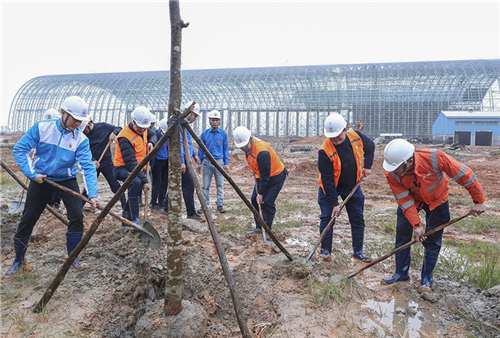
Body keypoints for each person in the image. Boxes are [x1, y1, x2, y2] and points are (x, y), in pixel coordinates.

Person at [6, 96, 100, 275]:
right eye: (75, 119)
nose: (78, 123)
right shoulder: (42, 128)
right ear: (63, 113)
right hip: (41, 179)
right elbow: (20, 149)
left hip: (66, 179)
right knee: (28, 218)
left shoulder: (81, 139)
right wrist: (32, 175)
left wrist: (93, 194)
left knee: (76, 217)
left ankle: (73, 258)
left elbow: (87, 167)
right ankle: (18, 260)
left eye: (81, 120)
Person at [382, 138, 486, 293]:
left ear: (410, 161)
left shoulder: (435, 158)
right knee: (402, 235)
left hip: (437, 200)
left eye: (396, 167)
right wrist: (416, 226)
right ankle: (401, 274)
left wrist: (479, 200)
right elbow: (404, 200)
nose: (393, 170)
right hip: (413, 201)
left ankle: (426, 280)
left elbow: (465, 175)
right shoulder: (392, 174)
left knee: (433, 240)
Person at [317, 113, 375, 262]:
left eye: (338, 136)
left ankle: (358, 252)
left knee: (357, 218)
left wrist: (367, 166)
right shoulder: (324, 151)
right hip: (330, 187)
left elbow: (371, 146)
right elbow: (328, 180)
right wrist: (334, 204)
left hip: (352, 186)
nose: (335, 140)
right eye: (332, 137)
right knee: (327, 217)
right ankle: (325, 252)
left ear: (345, 129)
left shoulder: (356, 136)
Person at [233, 126, 288, 233]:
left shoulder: (262, 152)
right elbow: (255, 162)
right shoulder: (247, 147)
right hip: (262, 176)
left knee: (267, 202)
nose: (243, 148)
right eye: (241, 147)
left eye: (244, 146)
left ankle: (267, 229)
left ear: (249, 139)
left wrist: (261, 193)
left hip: (276, 176)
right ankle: (259, 227)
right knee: (254, 200)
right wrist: (254, 169)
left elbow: (265, 176)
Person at [113, 106, 157, 225]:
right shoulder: (125, 137)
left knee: (136, 188)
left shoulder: (144, 129)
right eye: (140, 128)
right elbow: (131, 164)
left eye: (144, 128)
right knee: (136, 183)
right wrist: (144, 180)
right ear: (133, 121)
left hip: (138, 167)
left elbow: (153, 135)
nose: (143, 130)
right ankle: (135, 219)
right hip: (122, 168)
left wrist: (151, 143)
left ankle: (126, 218)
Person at [160, 101, 203, 221]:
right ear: (189, 113)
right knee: (188, 185)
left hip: (185, 160)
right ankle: (190, 213)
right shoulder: (179, 126)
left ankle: (166, 209)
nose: (195, 118)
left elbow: (187, 143)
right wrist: (182, 162)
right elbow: (179, 145)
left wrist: (194, 155)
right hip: (181, 162)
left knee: (176, 184)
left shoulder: (185, 125)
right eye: (195, 115)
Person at [80, 117, 126, 211]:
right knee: (88, 187)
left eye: (85, 128)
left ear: (89, 123)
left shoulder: (103, 126)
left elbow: (119, 128)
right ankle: (77, 209)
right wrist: (93, 160)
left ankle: (126, 209)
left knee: (115, 186)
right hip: (93, 164)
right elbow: (84, 150)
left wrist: (114, 133)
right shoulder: (82, 135)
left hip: (107, 163)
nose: (84, 131)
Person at [197, 110, 229, 213]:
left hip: (219, 161)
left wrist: (226, 163)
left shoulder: (223, 134)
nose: (215, 122)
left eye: (216, 120)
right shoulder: (204, 134)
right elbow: (201, 149)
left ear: (219, 121)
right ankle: (204, 205)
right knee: (205, 185)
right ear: (209, 121)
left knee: (220, 184)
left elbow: (225, 149)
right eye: (213, 120)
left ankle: (220, 204)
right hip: (207, 162)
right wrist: (199, 163)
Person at [43, 108, 63, 209]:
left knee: (57, 183)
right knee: (44, 182)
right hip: (45, 163)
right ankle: (47, 202)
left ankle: (55, 202)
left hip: (58, 162)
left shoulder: (60, 131)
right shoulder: (42, 129)